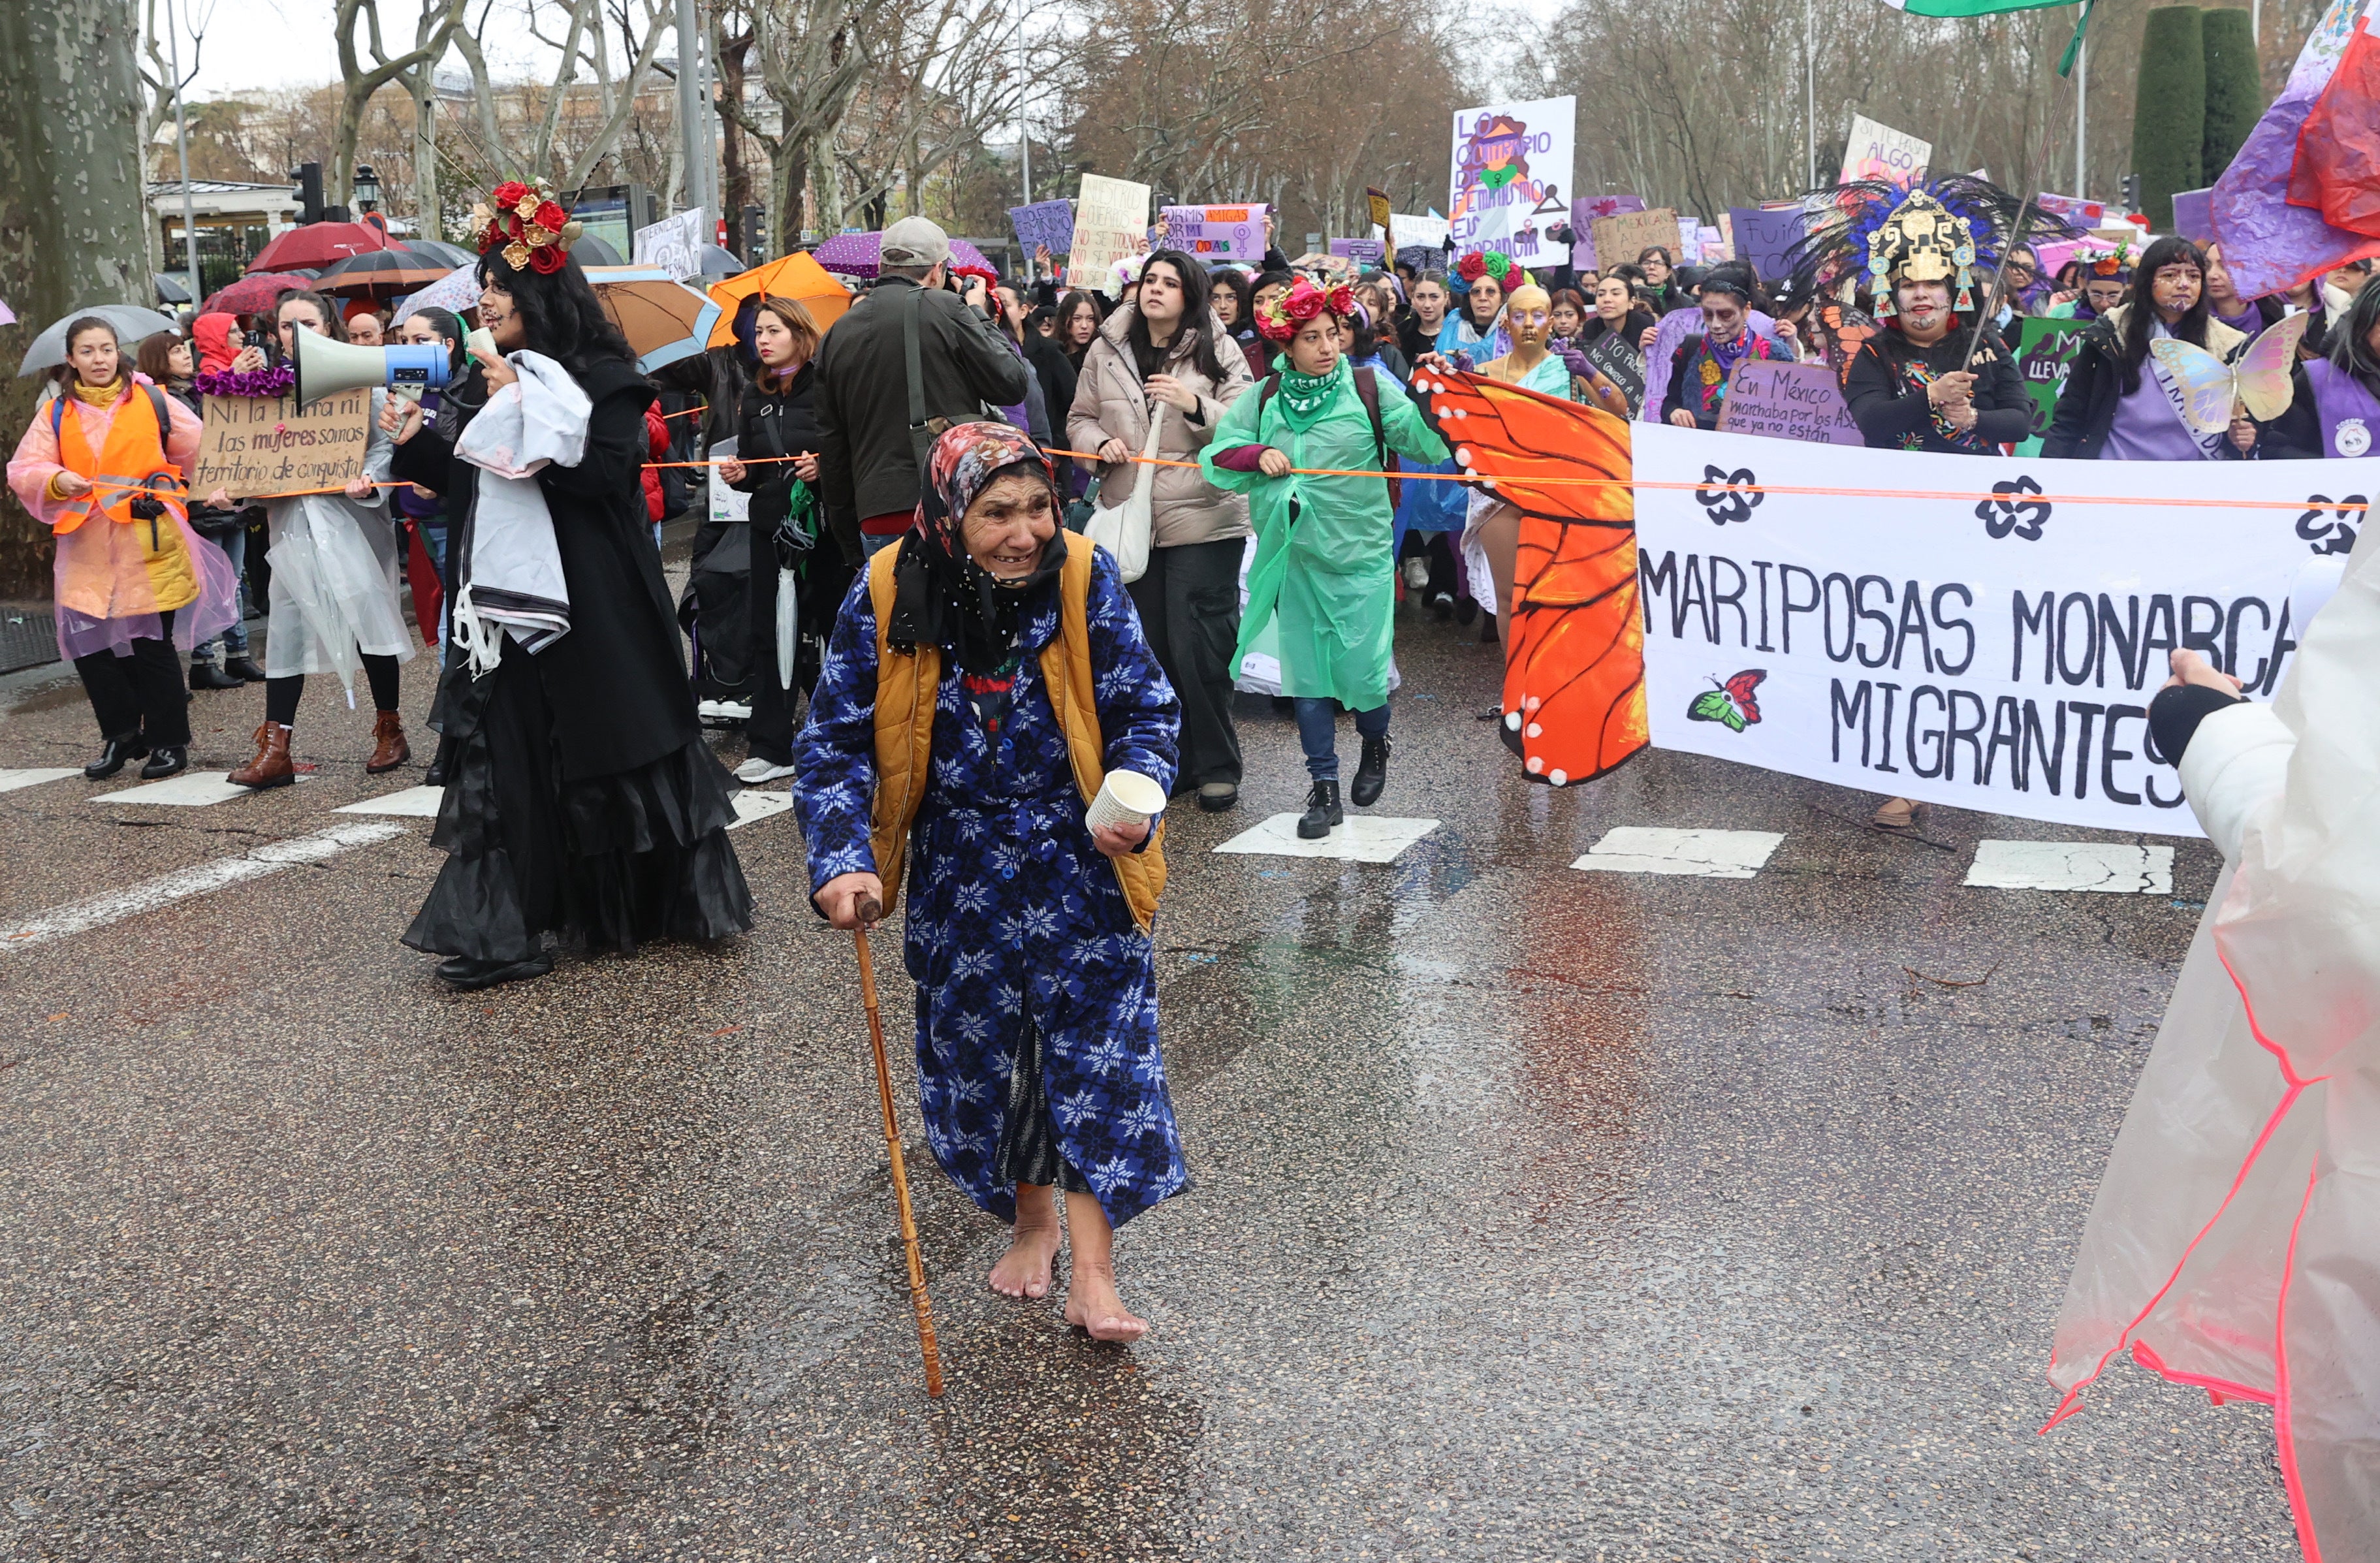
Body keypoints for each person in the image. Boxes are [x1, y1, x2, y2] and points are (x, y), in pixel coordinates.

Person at [795, 422, 1186, 1344]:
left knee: (1097, 1062)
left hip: (1082, 858)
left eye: (1039, 507)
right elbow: (835, 742)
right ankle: (1032, 1222)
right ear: (945, 516)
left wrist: (1141, 790)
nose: (1025, 533)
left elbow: (1146, 711)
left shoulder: (1086, 578)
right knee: (991, 1061)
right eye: (995, 512)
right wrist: (842, 855)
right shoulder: (890, 588)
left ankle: (1095, 1276)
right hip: (957, 866)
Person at [381, 179, 754, 988]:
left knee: (608, 746)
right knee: (509, 752)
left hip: (595, 600)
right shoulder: (495, 372)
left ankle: (640, 905)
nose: (485, 300)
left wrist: (522, 405)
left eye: (499, 286)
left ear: (539, 290)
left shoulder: (606, 377)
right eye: (481, 286)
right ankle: (507, 929)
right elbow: (473, 477)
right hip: (511, 601)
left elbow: (603, 476)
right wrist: (415, 443)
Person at [1799, 175, 2061, 829]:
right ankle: (1902, 775)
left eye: (1934, 283)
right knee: (1902, 648)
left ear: (1955, 289)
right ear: (1893, 289)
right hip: (1893, 524)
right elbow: (1873, 424)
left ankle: (1965, 757)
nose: (1922, 294)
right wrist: (1930, 398)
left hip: (1974, 522)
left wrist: (1973, 418)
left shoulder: (1989, 347)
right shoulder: (1873, 355)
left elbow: (2022, 423)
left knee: (1967, 644)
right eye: (1911, 283)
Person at [1201, 279, 1452, 838]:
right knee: (1308, 681)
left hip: (1359, 556)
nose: (1325, 347)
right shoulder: (1264, 395)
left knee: (1363, 676)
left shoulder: (1368, 386)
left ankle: (1374, 740)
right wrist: (1258, 452)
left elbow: (1422, 441)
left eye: (1332, 335)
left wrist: (1436, 397)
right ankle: (1324, 789)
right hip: (1296, 560)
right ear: (1287, 346)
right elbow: (1217, 454)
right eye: (1310, 338)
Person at [8, 317, 239, 778]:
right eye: (88, 351)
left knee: (152, 648)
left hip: (149, 542)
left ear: (119, 352)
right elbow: (25, 467)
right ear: (70, 360)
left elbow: (203, 452)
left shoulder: (154, 401)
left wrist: (207, 486)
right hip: (87, 545)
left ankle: (169, 741)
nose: (99, 359)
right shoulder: (57, 413)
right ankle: (120, 734)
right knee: (89, 648)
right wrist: (55, 479)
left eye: (107, 349)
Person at [204, 290, 415, 789]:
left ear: (328, 329)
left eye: (308, 323)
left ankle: (390, 727)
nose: (295, 333)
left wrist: (368, 478)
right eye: (284, 325)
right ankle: (277, 747)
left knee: (369, 617)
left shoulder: (362, 382)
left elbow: (385, 444)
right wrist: (228, 491)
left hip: (352, 522)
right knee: (288, 628)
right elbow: (243, 455)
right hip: (292, 523)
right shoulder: (262, 390)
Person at [1069, 249, 1254, 813]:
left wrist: (1195, 404)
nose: (1156, 290)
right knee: (1149, 651)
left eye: (1170, 283)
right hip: (1131, 520)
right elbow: (1079, 417)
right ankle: (1169, 762)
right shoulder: (1106, 346)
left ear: (1189, 295)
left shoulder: (1218, 346)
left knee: (1199, 646)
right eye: (1150, 280)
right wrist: (1095, 447)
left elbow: (1247, 425)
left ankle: (1217, 765)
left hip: (1204, 519)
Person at [814, 215, 1032, 564]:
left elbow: (832, 446)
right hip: (949, 503)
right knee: (958, 618)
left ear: (882, 265)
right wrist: (976, 310)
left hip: (875, 510)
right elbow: (1011, 383)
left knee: (895, 618)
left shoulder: (836, 333)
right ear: (938, 270)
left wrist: (848, 535)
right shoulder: (948, 309)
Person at [715, 294, 840, 785]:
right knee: (770, 633)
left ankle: (840, 737)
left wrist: (822, 470)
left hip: (825, 533)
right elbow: (753, 468)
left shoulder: (829, 387)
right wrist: (739, 474)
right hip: (771, 530)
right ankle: (771, 744)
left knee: (832, 629)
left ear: (800, 334)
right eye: (759, 332)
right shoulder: (753, 393)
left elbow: (847, 453)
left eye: (773, 331)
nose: (762, 340)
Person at [2043, 237, 2248, 462]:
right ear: (2147, 281)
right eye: (2170, 275)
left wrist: (2246, 437)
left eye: (2194, 276)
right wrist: (2050, 472)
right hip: (2114, 474)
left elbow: (2245, 421)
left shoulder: (2227, 343)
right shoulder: (2109, 334)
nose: (2184, 284)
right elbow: (2071, 414)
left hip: (2193, 478)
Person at [1658, 267, 1793, 429]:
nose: (1715, 325)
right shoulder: (1691, 349)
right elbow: (1670, 402)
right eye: (1708, 314)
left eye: (1726, 315)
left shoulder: (1774, 354)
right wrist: (1674, 412)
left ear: (1746, 311)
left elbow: (1789, 417)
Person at [1402, 270, 1452, 363]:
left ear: (1446, 297)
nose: (1427, 305)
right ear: (1413, 298)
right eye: (1421, 297)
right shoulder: (1400, 333)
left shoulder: (1461, 329)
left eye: (1434, 297)